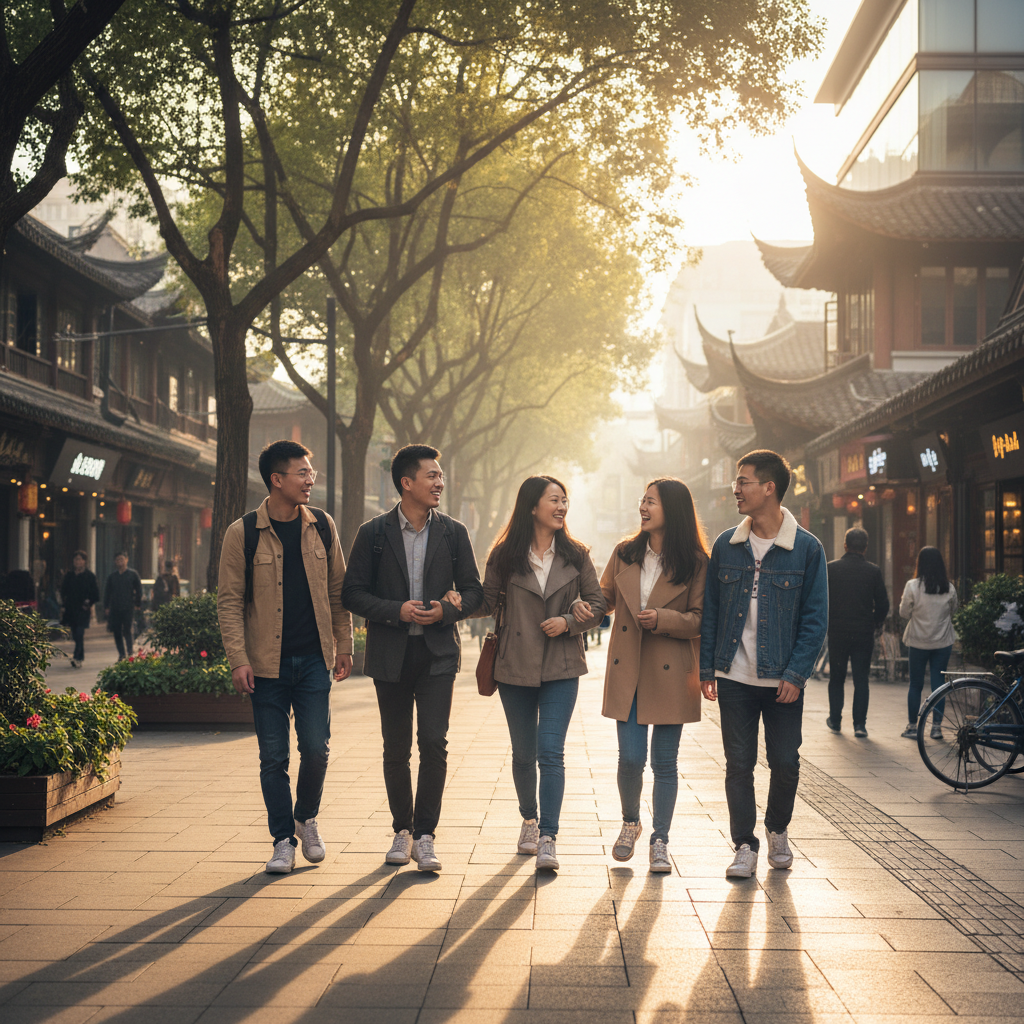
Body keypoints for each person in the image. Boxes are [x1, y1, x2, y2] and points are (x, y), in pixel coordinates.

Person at [342, 444, 483, 873]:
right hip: (391, 655)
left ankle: (425, 836)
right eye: (432, 476)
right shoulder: (373, 533)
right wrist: (395, 610)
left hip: (438, 653)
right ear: (407, 482)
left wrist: (449, 609)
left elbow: (476, 592)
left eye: (441, 476)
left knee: (434, 743)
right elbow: (352, 593)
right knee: (396, 747)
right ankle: (401, 830)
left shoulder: (454, 532)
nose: (440, 482)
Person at [218, 440, 353, 875]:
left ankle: (305, 817)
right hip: (265, 664)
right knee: (273, 758)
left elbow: (338, 593)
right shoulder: (243, 533)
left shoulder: (323, 526)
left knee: (316, 749)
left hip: (314, 659)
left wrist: (344, 645)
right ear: (277, 480)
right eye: (302, 472)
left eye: (311, 472)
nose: (310, 479)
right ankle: (282, 841)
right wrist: (238, 658)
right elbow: (230, 600)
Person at [700, 450, 828, 880]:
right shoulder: (726, 545)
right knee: (739, 762)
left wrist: (795, 673)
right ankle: (744, 845)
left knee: (786, 761)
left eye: (744, 481)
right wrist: (708, 669)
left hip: (782, 681)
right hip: (734, 675)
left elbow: (815, 619)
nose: (735, 489)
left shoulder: (806, 548)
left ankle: (777, 829)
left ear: (769, 487)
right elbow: (712, 613)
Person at [477, 475, 604, 872]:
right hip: (514, 664)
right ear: (533, 507)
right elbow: (483, 601)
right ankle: (528, 820)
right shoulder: (504, 555)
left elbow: (599, 604)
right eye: (554, 500)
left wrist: (570, 621)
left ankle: (548, 835)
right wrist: (449, 601)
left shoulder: (577, 554)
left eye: (565, 500)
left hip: (561, 665)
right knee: (523, 753)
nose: (562, 506)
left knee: (551, 752)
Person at [600, 478, 708, 874]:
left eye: (652, 502)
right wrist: (581, 609)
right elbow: (604, 600)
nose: (643, 508)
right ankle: (631, 822)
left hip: (670, 670)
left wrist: (662, 618)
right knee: (630, 758)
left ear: (673, 511)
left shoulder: (695, 562)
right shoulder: (625, 552)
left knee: (664, 762)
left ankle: (660, 839)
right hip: (627, 666)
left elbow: (700, 619)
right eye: (642, 501)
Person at [825, 527, 889, 739]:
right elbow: (883, 604)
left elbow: (821, 600)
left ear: (845, 545)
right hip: (863, 632)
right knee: (862, 679)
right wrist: (875, 622)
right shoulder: (873, 571)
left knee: (837, 677)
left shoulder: (831, 569)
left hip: (837, 631)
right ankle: (859, 725)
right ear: (865, 548)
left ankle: (835, 720)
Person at [899, 546, 958, 740]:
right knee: (938, 685)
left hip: (918, 641)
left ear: (920, 563)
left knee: (915, 684)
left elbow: (904, 613)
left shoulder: (912, 586)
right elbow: (954, 610)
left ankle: (913, 727)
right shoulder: (949, 587)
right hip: (942, 641)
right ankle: (936, 728)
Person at [61, 551, 100, 668]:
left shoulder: (90, 576)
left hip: (83, 609)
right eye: (76, 559)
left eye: (80, 559)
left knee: (79, 632)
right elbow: (64, 591)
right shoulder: (69, 576)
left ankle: (77, 657)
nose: (78, 562)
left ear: (84, 561)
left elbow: (96, 594)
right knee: (75, 634)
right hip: (71, 609)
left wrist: (88, 603)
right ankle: (80, 656)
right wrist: (63, 605)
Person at [104, 552, 142, 660]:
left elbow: (139, 590)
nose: (120, 562)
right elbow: (107, 592)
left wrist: (137, 604)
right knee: (116, 630)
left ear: (126, 559)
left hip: (128, 607)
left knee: (127, 629)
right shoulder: (112, 577)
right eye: (117, 560)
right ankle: (121, 653)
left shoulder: (133, 574)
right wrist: (106, 606)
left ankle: (130, 650)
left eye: (121, 559)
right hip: (115, 607)